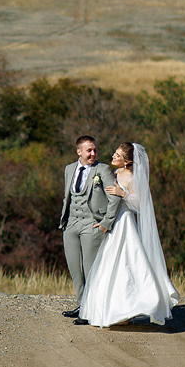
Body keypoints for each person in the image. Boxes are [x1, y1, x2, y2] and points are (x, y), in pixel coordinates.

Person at [76, 142, 179, 327]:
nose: (113, 156)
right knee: (108, 266)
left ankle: (130, 309)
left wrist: (122, 193)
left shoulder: (132, 179)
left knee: (126, 265)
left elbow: (140, 206)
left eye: (118, 155)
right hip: (113, 222)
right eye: (114, 153)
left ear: (127, 161)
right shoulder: (113, 174)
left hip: (125, 224)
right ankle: (108, 310)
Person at [58, 135, 120, 321]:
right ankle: (82, 305)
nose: (93, 153)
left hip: (92, 224)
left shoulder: (102, 169)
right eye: (89, 150)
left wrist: (106, 223)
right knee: (75, 269)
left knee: (90, 270)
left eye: (95, 150)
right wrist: (64, 221)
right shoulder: (69, 169)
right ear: (79, 152)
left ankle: (90, 311)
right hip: (70, 225)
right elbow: (66, 197)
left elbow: (114, 197)